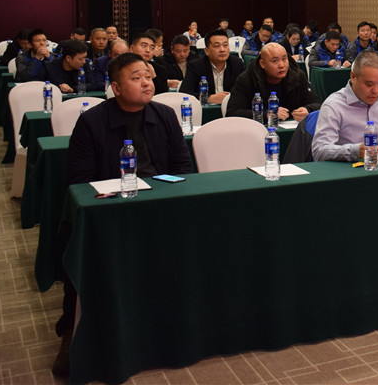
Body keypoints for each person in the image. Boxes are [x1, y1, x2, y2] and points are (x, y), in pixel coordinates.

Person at [54, 52, 194, 377]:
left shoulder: (164, 115)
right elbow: (79, 181)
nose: (147, 83)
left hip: (159, 205)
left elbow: (183, 167)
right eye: (136, 77)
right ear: (116, 87)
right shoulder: (92, 122)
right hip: (111, 210)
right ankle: (72, 332)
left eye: (148, 76)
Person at [227, 43, 321, 122]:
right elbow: (232, 113)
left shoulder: (297, 76)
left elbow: (317, 104)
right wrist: (266, 114)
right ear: (262, 64)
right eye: (275, 61)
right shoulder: (247, 79)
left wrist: (307, 110)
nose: (281, 65)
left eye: (284, 59)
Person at [180, 29, 244, 104]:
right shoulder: (196, 66)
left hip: (231, 108)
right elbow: (184, 94)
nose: (222, 50)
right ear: (207, 51)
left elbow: (245, 91)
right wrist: (209, 98)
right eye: (217, 46)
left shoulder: (236, 64)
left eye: (225, 45)